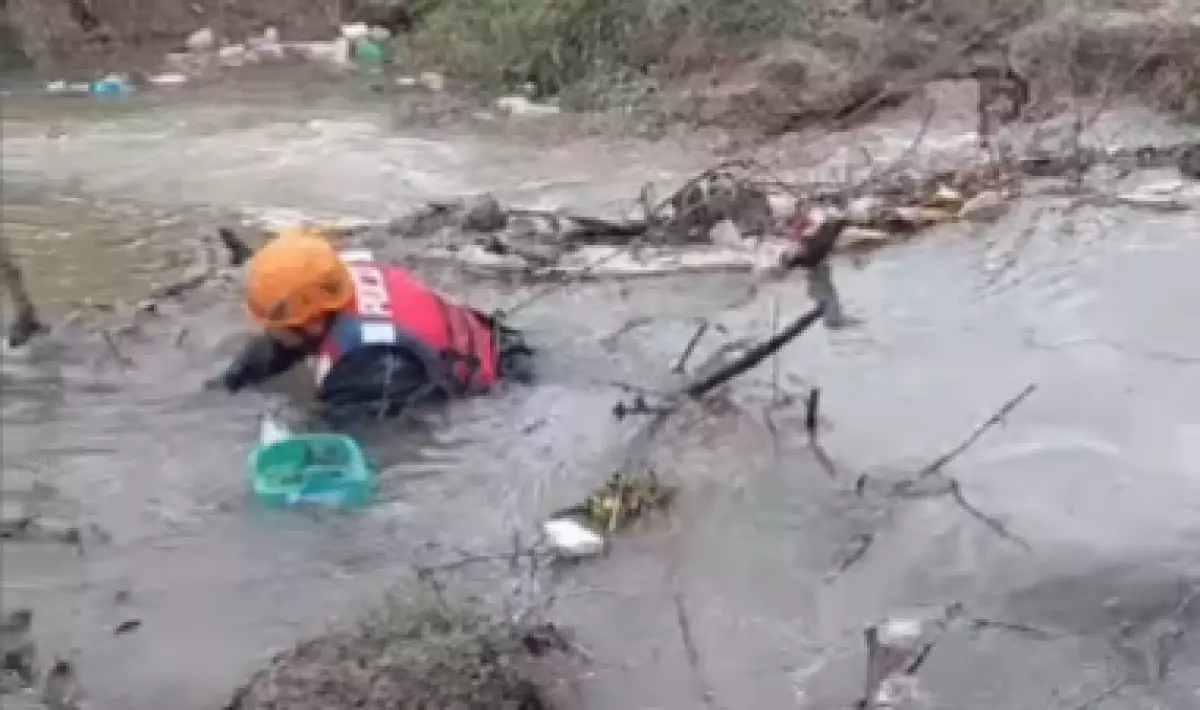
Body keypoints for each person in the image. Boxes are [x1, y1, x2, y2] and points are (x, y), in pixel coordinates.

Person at [206, 227, 533, 423]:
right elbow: (280, 343)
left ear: (312, 322)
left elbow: (348, 449)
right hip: (480, 341)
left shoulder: (371, 365)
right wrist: (226, 387)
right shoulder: (335, 280)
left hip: (504, 391)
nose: (269, 332)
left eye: (277, 325)